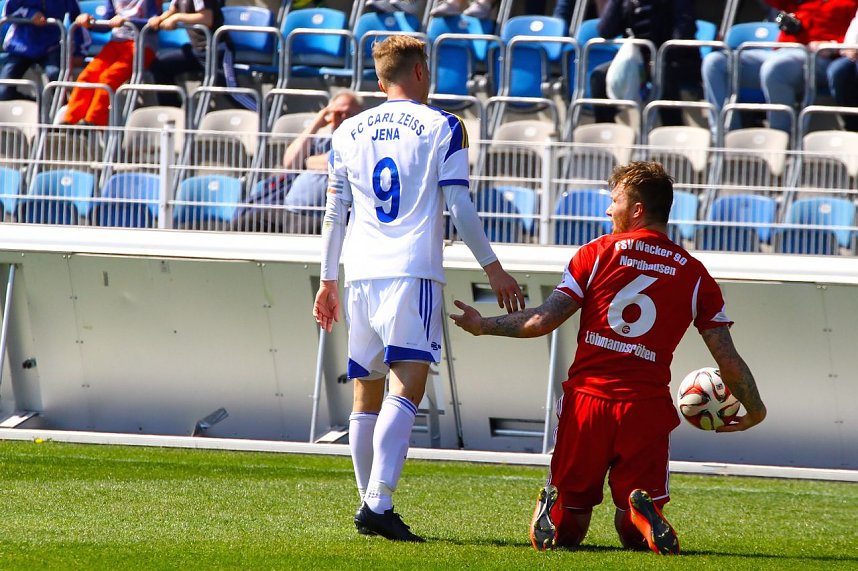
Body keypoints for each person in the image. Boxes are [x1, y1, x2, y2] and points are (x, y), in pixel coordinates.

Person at [450, 161, 767, 554]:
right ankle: (643, 517)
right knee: (631, 533)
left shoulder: (596, 253)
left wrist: (484, 325)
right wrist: (756, 410)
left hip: (588, 403)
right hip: (645, 408)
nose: (607, 210)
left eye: (614, 200)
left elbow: (541, 321)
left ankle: (553, 507)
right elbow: (728, 360)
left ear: (637, 210)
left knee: (571, 530)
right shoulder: (695, 275)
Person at [312, 35, 524, 542]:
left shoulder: (347, 131)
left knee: (366, 393)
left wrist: (326, 280)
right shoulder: (444, 126)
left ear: (380, 79)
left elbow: (332, 215)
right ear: (422, 72)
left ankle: (370, 504)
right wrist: (493, 268)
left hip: (359, 273)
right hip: (411, 271)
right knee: (408, 381)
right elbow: (460, 207)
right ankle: (378, 503)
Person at [702, 0, 858, 137]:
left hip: (821, 58)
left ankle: (780, 138)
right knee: (714, 63)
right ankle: (724, 138)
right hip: (781, 51)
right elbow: (775, 7)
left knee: (775, 68)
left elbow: (853, 41)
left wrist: (833, 46)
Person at [234, 91, 362, 233]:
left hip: (317, 215)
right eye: (338, 113)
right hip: (288, 208)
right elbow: (290, 162)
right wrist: (317, 122)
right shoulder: (321, 141)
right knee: (242, 223)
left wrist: (307, 162)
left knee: (295, 235)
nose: (343, 118)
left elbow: (333, 161)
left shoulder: (359, 142)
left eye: (349, 114)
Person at [591, 0, 699, 126]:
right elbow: (605, 31)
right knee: (599, 76)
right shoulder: (628, 3)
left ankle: (672, 130)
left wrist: (656, 59)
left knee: (663, 74)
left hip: (674, 59)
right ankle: (607, 133)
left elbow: (685, 31)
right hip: (639, 61)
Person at [64, 0, 160, 126]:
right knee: (87, 75)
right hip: (116, 43)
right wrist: (90, 22)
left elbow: (155, 24)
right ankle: (70, 121)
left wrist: (127, 21)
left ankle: (92, 122)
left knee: (108, 78)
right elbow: (107, 23)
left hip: (141, 45)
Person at [146, 0, 225, 108]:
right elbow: (173, 10)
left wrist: (177, 18)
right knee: (159, 67)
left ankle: (255, 113)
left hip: (216, 50)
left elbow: (206, 18)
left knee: (227, 89)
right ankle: (173, 114)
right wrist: (159, 19)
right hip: (195, 51)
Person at [0, 0, 82, 101]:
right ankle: (34, 107)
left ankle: (61, 112)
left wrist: (79, 52)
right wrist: (30, 14)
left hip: (51, 47)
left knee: (56, 77)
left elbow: (78, 19)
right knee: (3, 91)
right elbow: (7, 13)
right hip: (20, 47)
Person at [825, 8, 858, 131]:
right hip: (854, 57)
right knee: (838, 70)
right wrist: (850, 47)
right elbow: (854, 31)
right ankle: (852, 127)